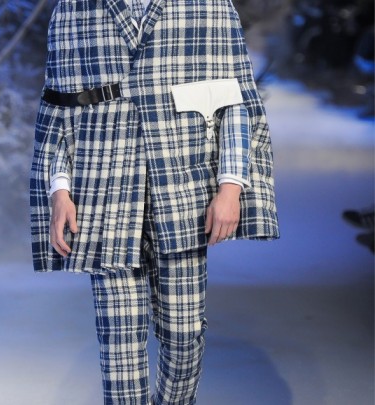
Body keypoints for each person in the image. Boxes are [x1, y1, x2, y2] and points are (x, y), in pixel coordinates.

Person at [29, 0, 279, 403]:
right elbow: (59, 105)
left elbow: (234, 100)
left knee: (183, 338)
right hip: (102, 190)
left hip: (183, 190)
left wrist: (230, 186)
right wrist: (60, 190)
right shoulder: (75, 8)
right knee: (119, 343)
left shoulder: (209, 6)